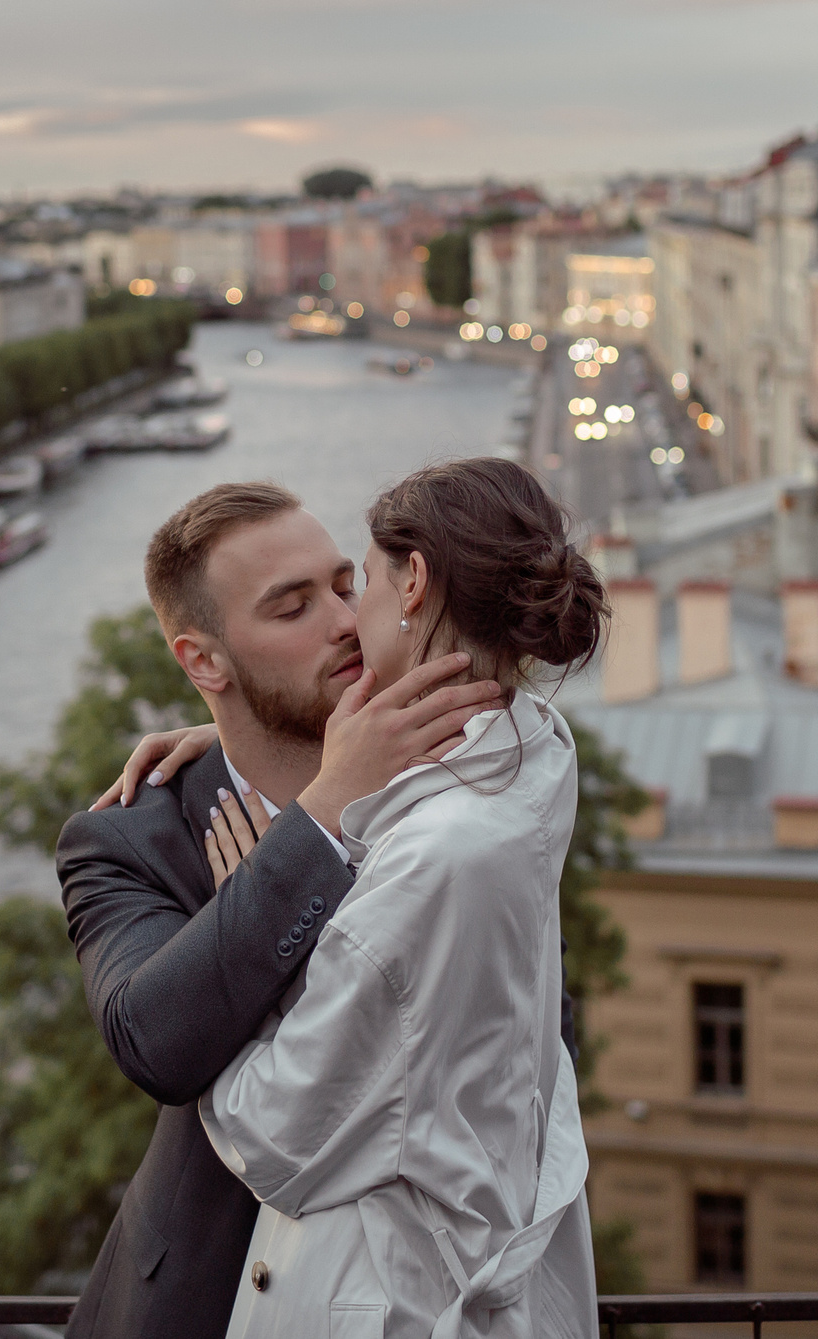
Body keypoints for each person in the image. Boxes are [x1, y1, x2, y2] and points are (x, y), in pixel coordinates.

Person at [56, 481, 507, 1339]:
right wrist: (320, 814)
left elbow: (529, 1034)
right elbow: (154, 1041)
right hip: (203, 1302)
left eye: (344, 584)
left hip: (423, 1297)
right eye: (293, 606)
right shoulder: (129, 838)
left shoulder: (452, 790)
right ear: (204, 662)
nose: (345, 621)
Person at [194, 456, 605, 1339]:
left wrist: (252, 913)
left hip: (388, 1301)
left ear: (414, 580)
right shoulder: (539, 750)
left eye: (364, 583)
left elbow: (272, 1136)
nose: (350, 619)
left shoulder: (431, 860)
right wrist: (222, 732)